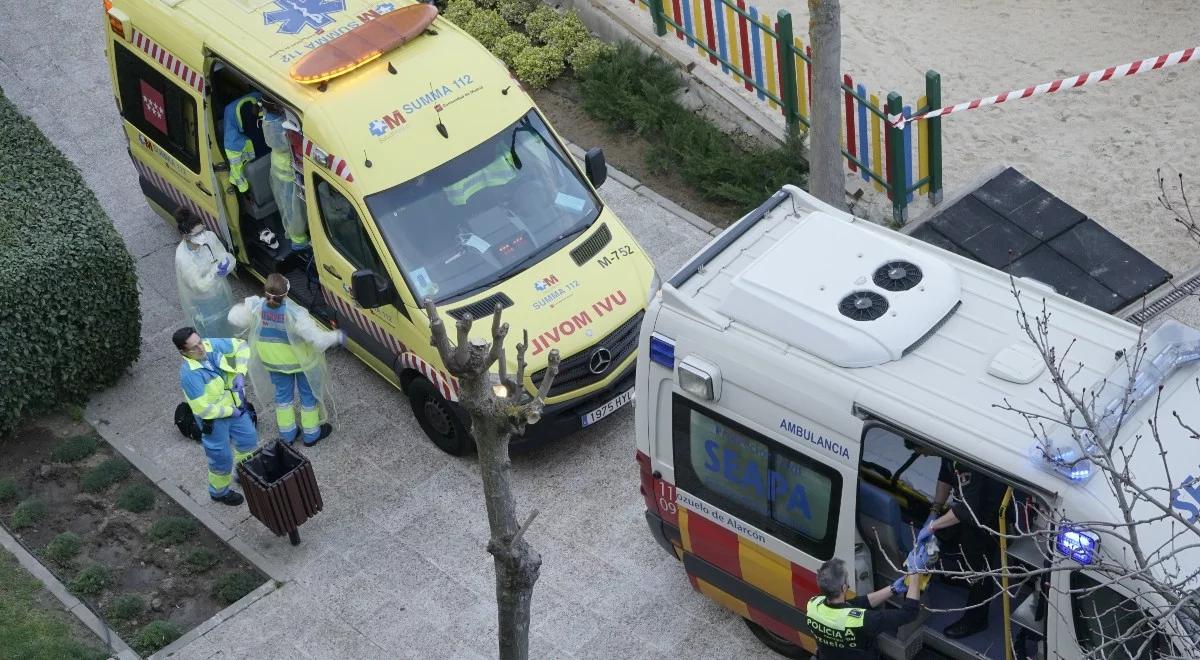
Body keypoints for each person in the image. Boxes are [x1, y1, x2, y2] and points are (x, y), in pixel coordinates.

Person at [228, 273, 343, 447]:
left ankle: (288, 434)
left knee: (283, 398)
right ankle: (311, 434)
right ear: (286, 293)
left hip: (274, 363)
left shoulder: (255, 307)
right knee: (308, 396)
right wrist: (338, 336)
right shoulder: (295, 314)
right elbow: (318, 340)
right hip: (301, 362)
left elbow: (233, 318)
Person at [917, 456, 1008, 639]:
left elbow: (968, 510)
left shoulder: (965, 462)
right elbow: (945, 477)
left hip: (985, 516)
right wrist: (934, 511)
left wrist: (932, 526)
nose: (925, 456)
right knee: (958, 543)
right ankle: (964, 578)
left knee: (980, 567)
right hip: (971, 509)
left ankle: (976, 620)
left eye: (923, 452)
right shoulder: (948, 453)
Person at [174, 327, 257, 506]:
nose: (201, 349)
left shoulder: (210, 345)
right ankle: (219, 492)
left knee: (248, 440)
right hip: (215, 420)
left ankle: (244, 473)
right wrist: (230, 411)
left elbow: (242, 346)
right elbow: (202, 409)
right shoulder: (190, 375)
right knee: (221, 459)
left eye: (200, 342)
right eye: (194, 348)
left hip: (236, 407)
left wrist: (240, 373)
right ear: (183, 352)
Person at [806, 558, 924, 659]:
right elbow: (909, 613)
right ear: (844, 588)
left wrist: (893, 589)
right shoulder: (862, 621)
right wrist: (915, 576)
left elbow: (856, 603)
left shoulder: (813, 605)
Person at [175, 208, 236, 338]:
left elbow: (224, 256)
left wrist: (226, 264)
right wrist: (215, 274)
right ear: (185, 236)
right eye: (197, 234)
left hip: (220, 293)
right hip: (203, 304)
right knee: (213, 334)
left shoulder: (210, 237)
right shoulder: (184, 257)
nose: (203, 235)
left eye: (202, 230)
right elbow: (199, 286)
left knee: (228, 326)